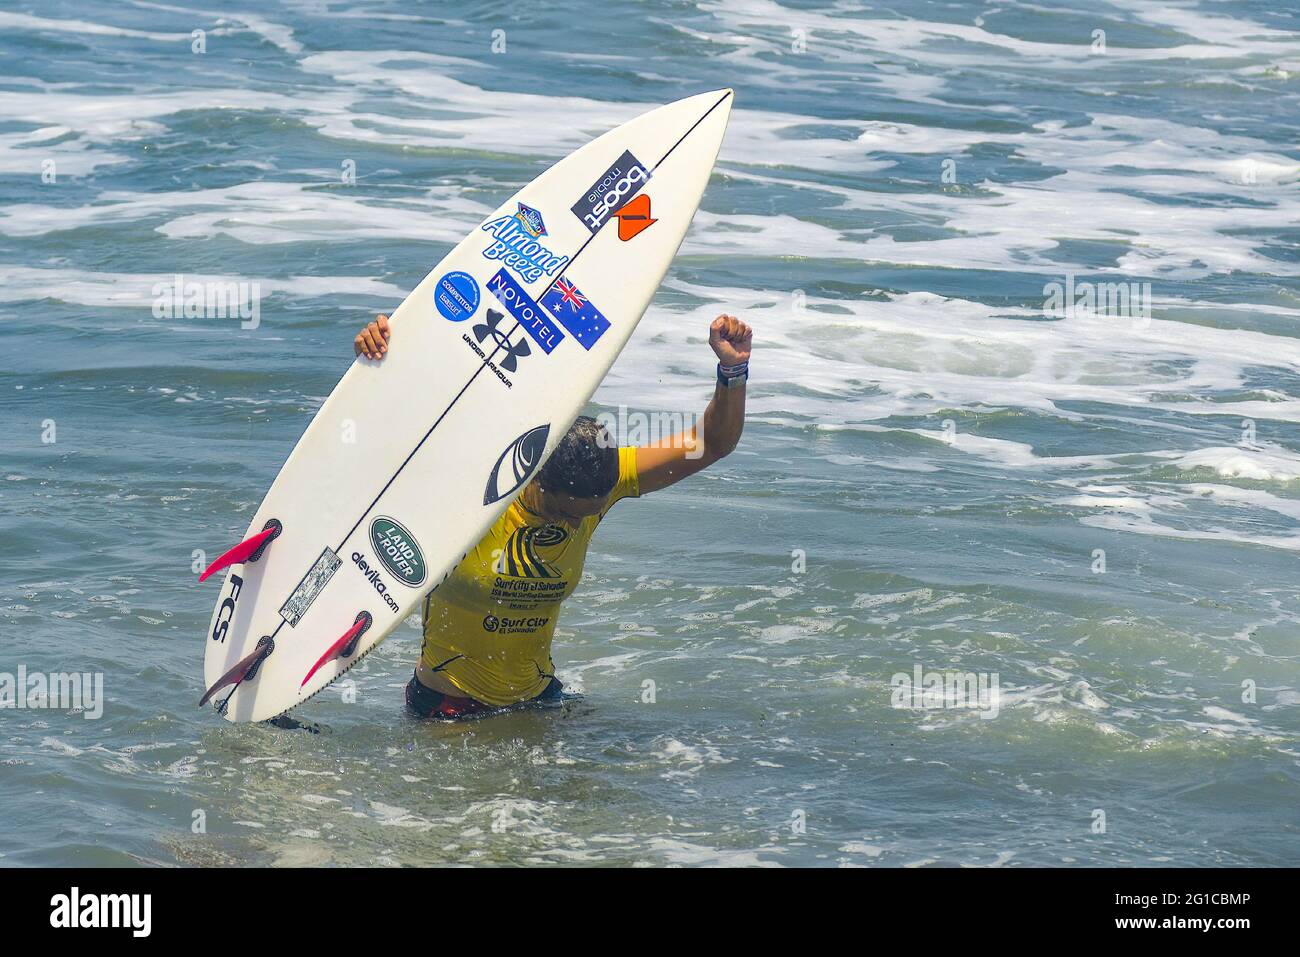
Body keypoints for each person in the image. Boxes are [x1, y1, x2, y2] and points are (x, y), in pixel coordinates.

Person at [354, 309, 751, 719]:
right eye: (563, 512)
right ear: (534, 476)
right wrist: (380, 359)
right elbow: (384, 439)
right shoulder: (471, 490)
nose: (574, 525)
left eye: (588, 514)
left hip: (539, 699)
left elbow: (713, 443)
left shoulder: (606, 479)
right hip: (449, 706)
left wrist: (732, 370)